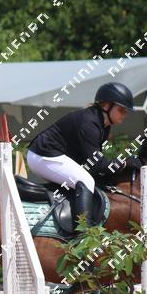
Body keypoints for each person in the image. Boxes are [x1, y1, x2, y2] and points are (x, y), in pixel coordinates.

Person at [26, 82, 134, 230]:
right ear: (106, 106)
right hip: (43, 156)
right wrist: (124, 163)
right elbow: (97, 164)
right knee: (86, 181)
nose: (125, 115)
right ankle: (84, 233)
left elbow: (92, 164)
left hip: (51, 155)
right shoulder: (89, 123)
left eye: (126, 111)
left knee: (90, 179)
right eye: (121, 110)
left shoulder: (103, 124)